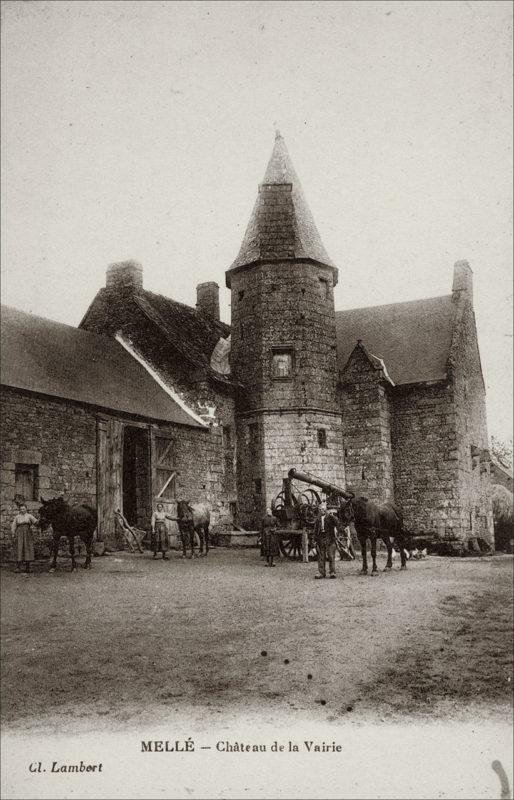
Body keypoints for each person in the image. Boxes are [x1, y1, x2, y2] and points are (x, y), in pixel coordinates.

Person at [314, 501, 339, 579]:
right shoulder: (318, 519)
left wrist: (332, 516)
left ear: (325, 510)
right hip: (321, 538)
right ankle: (321, 572)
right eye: (320, 509)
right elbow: (315, 529)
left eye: (323, 509)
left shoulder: (330, 517)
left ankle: (332, 572)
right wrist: (315, 539)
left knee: (331, 556)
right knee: (321, 556)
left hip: (330, 538)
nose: (321, 511)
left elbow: (337, 523)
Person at [11, 504, 38, 574]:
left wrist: (39, 521)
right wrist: (13, 534)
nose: (22, 510)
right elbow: (14, 525)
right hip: (19, 534)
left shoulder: (29, 516)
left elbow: (36, 522)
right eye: (21, 509)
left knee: (27, 548)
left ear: (26, 509)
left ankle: (28, 567)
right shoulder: (17, 517)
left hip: (27, 534)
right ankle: (18, 567)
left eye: (24, 509)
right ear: (19, 510)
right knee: (19, 548)